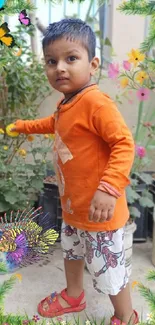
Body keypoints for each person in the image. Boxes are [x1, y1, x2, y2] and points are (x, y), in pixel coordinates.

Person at [11, 18, 138, 324]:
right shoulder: (68, 104)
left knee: (109, 270)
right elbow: (53, 124)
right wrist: (23, 126)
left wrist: (109, 188)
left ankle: (126, 315)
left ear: (92, 63)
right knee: (72, 253)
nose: (60, 68)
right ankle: (73, 295)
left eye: (71, 58)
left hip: (100, 213)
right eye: (51, 61)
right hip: (74, 209)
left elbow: (124, 143)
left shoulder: (96, 103)